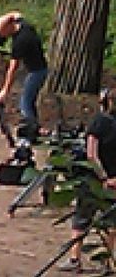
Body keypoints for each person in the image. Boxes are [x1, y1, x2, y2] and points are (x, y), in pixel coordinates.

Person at [57, 89, 116, 273]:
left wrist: (103, 177)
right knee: (112, 223)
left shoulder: (99, 122)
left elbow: (91, 155)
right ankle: (107, 260)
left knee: (82, 218)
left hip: (94, 180)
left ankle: (75, 259)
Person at [0, 11, 49, 133]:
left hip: (37, 71)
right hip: (39, 68)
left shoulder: (20, 41)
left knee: (25, 101)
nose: (3, 36)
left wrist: (5, 90)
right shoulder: (24, 26)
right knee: (30, 100)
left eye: (3, 32)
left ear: (9, 27)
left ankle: (30, 128)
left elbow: (13, 68)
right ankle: (36, 127)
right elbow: (16, 14)